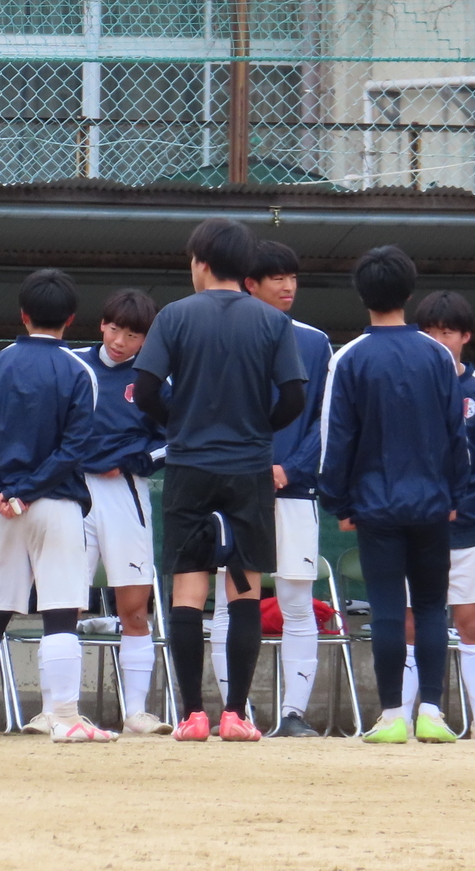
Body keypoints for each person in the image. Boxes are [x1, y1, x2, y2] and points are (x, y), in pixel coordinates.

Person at [132, 218, 308, 743]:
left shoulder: (174, 316)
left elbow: (143, 390)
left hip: (189, 464)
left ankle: (193, 715)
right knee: (244, 587)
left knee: (188, 587)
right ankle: (235, 713)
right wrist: (256, 429)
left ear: (202, 263)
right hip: (250, 466)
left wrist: (179, 423)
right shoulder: (272, 323)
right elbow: (295, 398)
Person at [319, 246, 470, 744]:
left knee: (385, 608)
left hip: (375, 505)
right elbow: (456, 436)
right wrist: (455, 494)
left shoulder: (349, 359)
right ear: (410, 292)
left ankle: (390, 716)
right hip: (431, 502)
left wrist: (338, 502)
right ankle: (432, 711)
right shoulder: (437, 355)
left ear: (362, 295)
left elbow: (337, 438)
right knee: (430, 608)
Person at [0, 269, 111, 743]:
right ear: (70, 319)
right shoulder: (78, 370)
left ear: (21, 316)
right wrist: (27, 488)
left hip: (1, 507)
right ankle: (63, 717)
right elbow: (76, 447)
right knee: (61, 612)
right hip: (56, 504)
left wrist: (4, 489)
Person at [222, 239, 333, 737]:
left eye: (293, 277)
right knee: (232, 600)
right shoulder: (223, 335)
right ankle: (234, 711)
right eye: (276, 278)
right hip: (234, 489)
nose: (288, 286)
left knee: (295, 600)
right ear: (251, 284)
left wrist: (290, 470)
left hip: (294, 493)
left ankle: (293, 714)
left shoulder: (315, 341)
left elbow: (325, 422)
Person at [73, 289, 171, 736]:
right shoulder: (73, 366)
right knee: (65, 604)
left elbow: (176, 437)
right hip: (70, 493)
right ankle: (61, 709)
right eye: (115, 329)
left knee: (134, 606)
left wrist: (135, 462)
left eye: (133, 335)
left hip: (126, 493)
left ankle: (136, 713)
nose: (120, 341)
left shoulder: (153, 379)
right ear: (101, 325)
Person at [415, 290, 475, 739]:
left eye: (446, 332)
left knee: (472, 623)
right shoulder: (408, 385)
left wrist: (459, 502)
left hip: (469, 529)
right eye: (429, 332)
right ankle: (407, 717)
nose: (437, 340)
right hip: (415, 525)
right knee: (413, 621)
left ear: (465, 336)